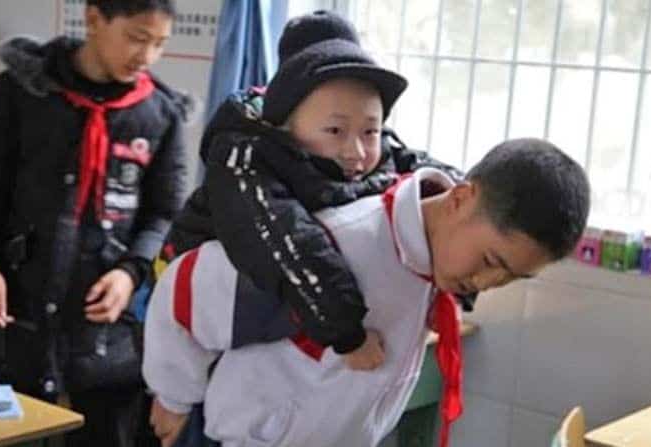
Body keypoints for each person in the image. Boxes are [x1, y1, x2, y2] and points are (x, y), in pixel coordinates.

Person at [145, 138, 591, 447]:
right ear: (460, 199)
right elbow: (184, 290)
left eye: (510, 278)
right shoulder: (337, 246)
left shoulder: (427, 264)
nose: (487, 284)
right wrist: (173, 395)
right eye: (492, 261)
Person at [154, 10, 466, 379]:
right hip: (187, 307)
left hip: (278, 319)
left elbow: (443, 184)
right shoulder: (245, 156)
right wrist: (347, 335)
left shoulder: (370, 147)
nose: (356, 152)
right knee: (181, 399)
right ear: (286, 120)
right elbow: (288, 244)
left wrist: (463, 264)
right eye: (335, 130)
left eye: (370, 131)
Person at [0, 0, 190, 445]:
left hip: (103, 331)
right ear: (94, 19)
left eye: (160, 44)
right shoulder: (22, 92)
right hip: (18, 311)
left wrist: (131, 272)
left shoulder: (160, 114)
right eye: (137, 38)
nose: (147, 56)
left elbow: (164, 215)